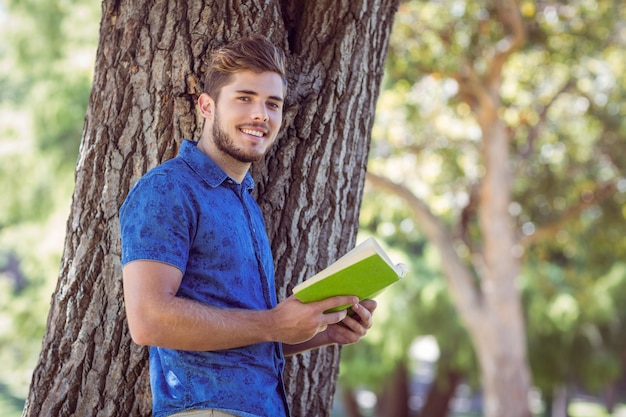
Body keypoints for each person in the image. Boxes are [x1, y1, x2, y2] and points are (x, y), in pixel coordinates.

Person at [119, 35, 377, 417]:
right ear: (207, 106)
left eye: (272, 104)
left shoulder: (243, 201)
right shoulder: (168, 188)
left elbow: (244, 330)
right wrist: (273, 323)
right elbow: (148, 320)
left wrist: (319, 331)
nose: (261, 114)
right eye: (245, 98)